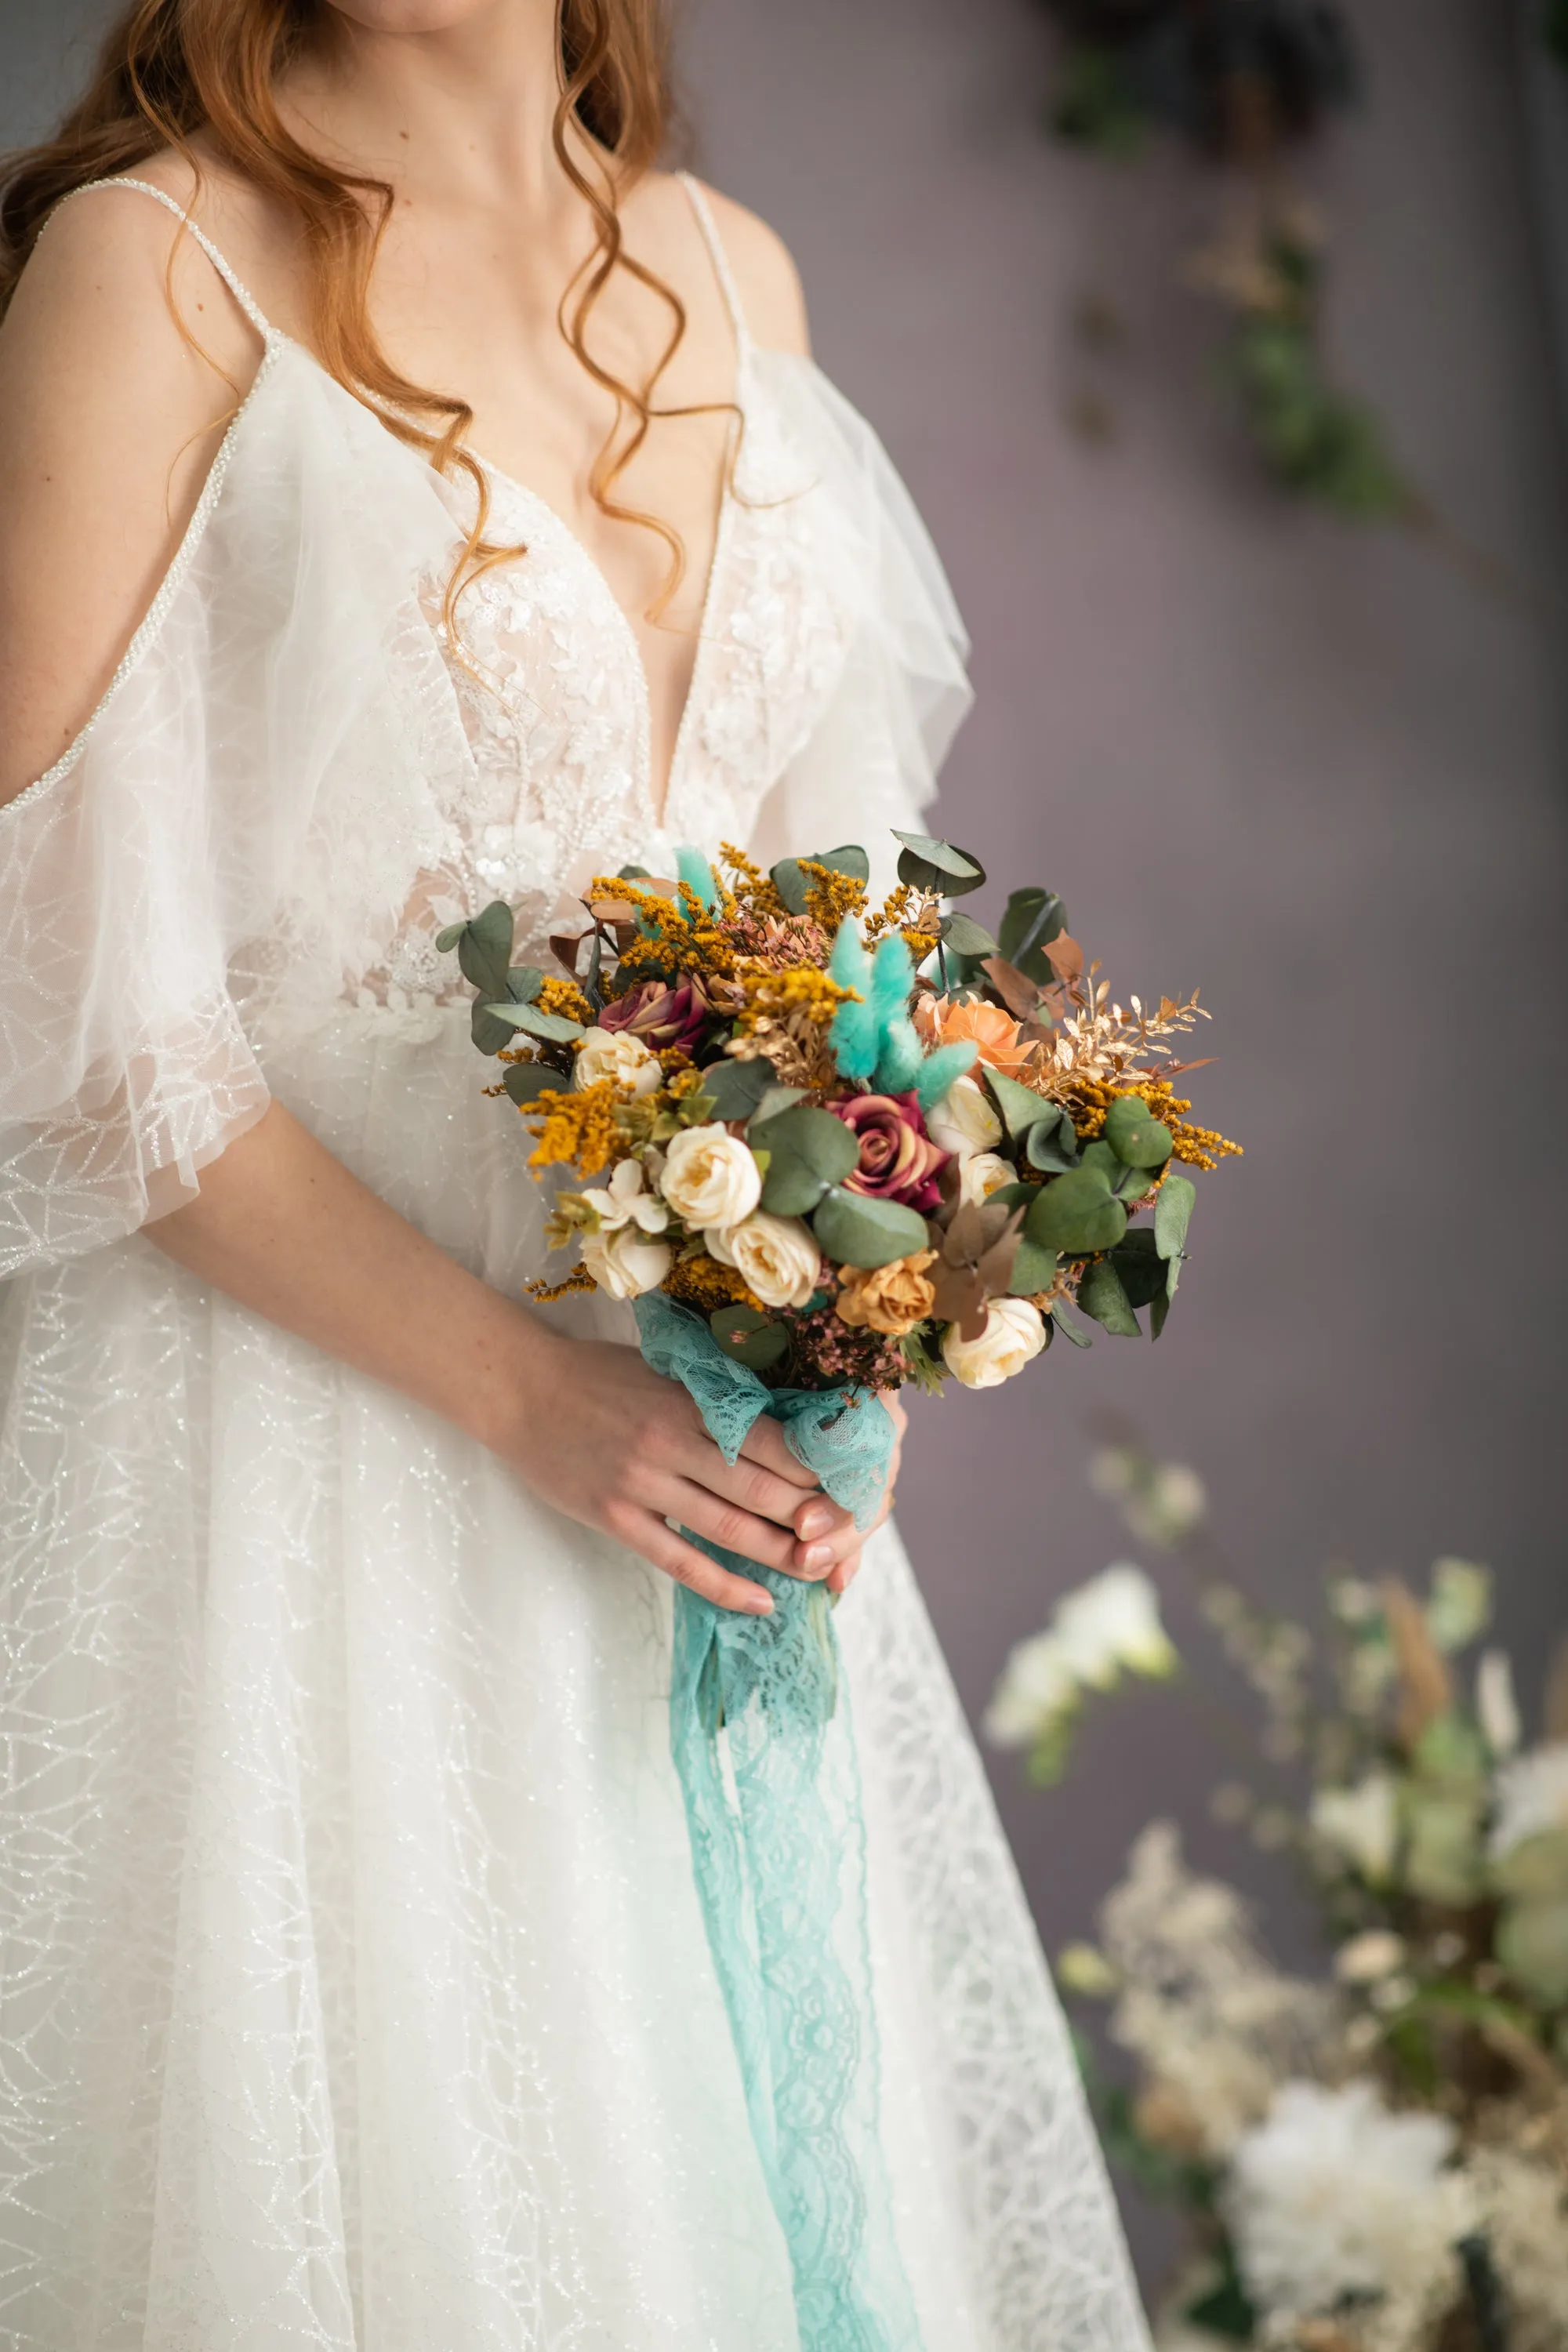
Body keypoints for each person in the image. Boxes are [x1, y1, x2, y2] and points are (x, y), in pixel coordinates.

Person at [0, 2, 1151, 2344]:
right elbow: (57, 1004)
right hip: (287, 1469)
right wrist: (529, 1399)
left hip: (698, 1478)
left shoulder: (734, 278)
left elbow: (830, 946)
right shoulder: (154, 271)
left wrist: (870, 1317)